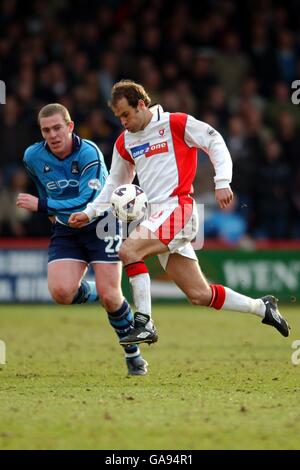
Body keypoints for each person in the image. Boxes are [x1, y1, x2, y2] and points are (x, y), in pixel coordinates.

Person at [69, 80, 290, 346]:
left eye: (126, 114)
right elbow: (115, 183)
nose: (123, 122)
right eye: (118, 117)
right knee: (199, 294)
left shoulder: (175, 123)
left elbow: (214, 140)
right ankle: (262, 308)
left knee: (129, 251)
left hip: (178, 209)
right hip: (154, 219)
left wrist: (223, 181)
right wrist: (91, 211)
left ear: (141, 104)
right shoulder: (124, 142)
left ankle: (144, 323)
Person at [16, 103, 148, 375]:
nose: (52, 135)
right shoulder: (32, 156)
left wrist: (43, 205)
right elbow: (41, 183)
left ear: (70, 127)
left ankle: (133, 354)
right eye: (46, 130)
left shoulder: (89, 152)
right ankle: (96, 289)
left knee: (112, 297)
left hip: (101, 223)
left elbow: (88, 200)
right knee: (61, 293)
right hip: (66, 228)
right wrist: (53, 210)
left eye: (57, 128)